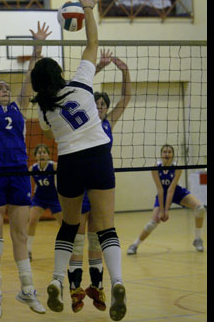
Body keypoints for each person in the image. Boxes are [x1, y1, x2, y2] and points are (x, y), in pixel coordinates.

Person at [30, 0, 127, 321]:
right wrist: (88, 8)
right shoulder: (82, 83)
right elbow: (93, 41)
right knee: (106, 227)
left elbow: (47, 135)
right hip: (98, 156)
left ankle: (57, 280)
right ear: (60, 74)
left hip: (69, 163)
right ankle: (117, 282)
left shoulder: (44, 110)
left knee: (69, 227)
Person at [0, 20, 51, 319]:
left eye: (6, 87)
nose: (4, 89)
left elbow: (30, 77)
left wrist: (37, 47)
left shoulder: (20, 107)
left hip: (20, 174)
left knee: (20, 235)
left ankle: (28, 290)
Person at [67, 49, 132, 313]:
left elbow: (126, 98)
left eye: (104, 104)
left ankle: (97, 286)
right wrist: (100, 67)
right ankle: (75, 289)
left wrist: (124, 71)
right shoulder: (84, 124)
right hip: (82, 183)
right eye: (97, 104)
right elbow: (80, 89)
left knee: (97, 238)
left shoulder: (109, 122)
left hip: (101, 183)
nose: (101, 107)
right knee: (78, 237)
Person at [126, 144, 206, 255]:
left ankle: (198, 239)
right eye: (165, 152)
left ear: (173, 155)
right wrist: (162, 210)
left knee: (200, 208)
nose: (167, 154)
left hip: (177, 192)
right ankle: (134, 245)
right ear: (161, 154)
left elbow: (171, 190)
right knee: (153, 222)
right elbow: (160, 189)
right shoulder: (155, 168)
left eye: (169, 152)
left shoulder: (177, 168)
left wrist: (166, 210)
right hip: (162, 194)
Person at [27, 143, 63, 261]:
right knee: (32, 221)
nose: (42, 154)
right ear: (35, 156)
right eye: (39, 153)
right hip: (39, 199)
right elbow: (28, 185)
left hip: (54, 199)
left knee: (64, 224)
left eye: (44, 152)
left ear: (48, 155)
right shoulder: (32, 169)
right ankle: (28, 251)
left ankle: (68, 248)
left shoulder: (54, 166)